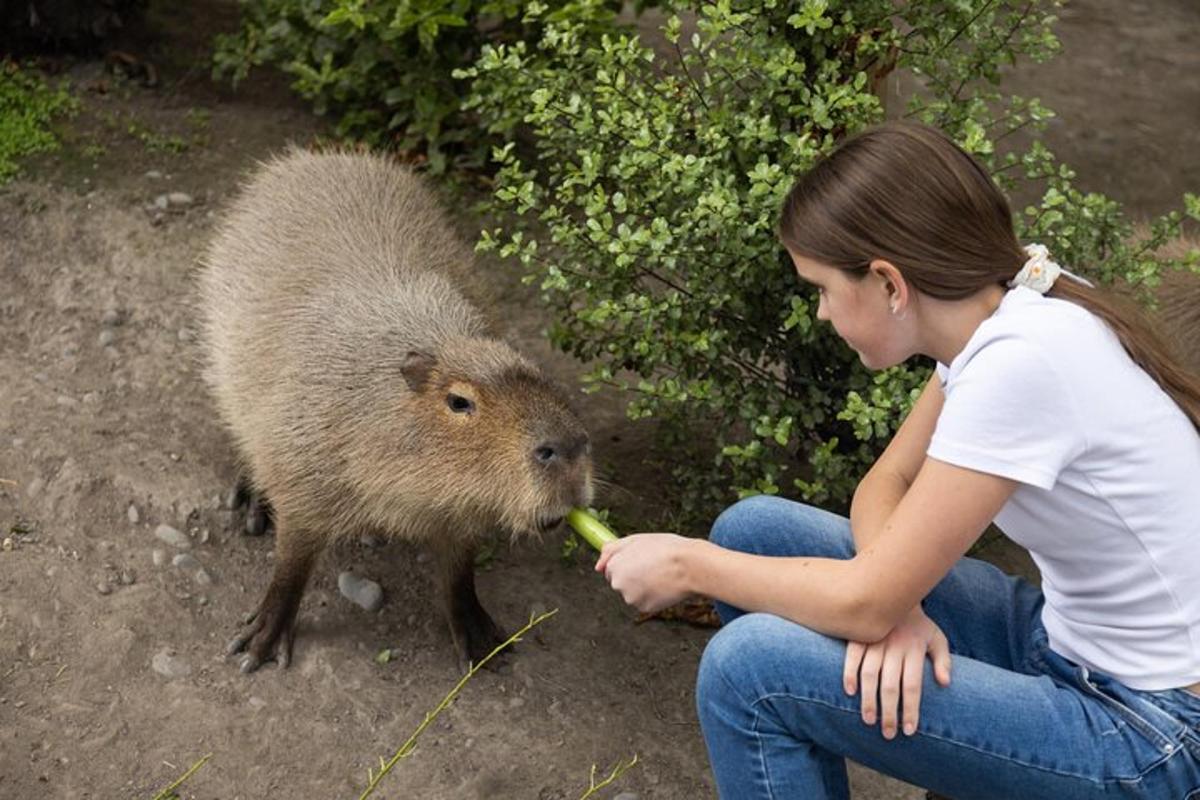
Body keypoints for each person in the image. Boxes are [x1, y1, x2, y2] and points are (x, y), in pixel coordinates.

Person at [595, 121, 1200, 799]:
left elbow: (865, 596)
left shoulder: (1021, 365)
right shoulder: (1002, 308)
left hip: (1153, 731)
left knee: (748, 674)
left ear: (888, 282)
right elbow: (889, 480)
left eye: (821, 288)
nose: (821, 312)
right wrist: (895, 608)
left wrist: (686, 563)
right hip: (1070, 645)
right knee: (753, 529)